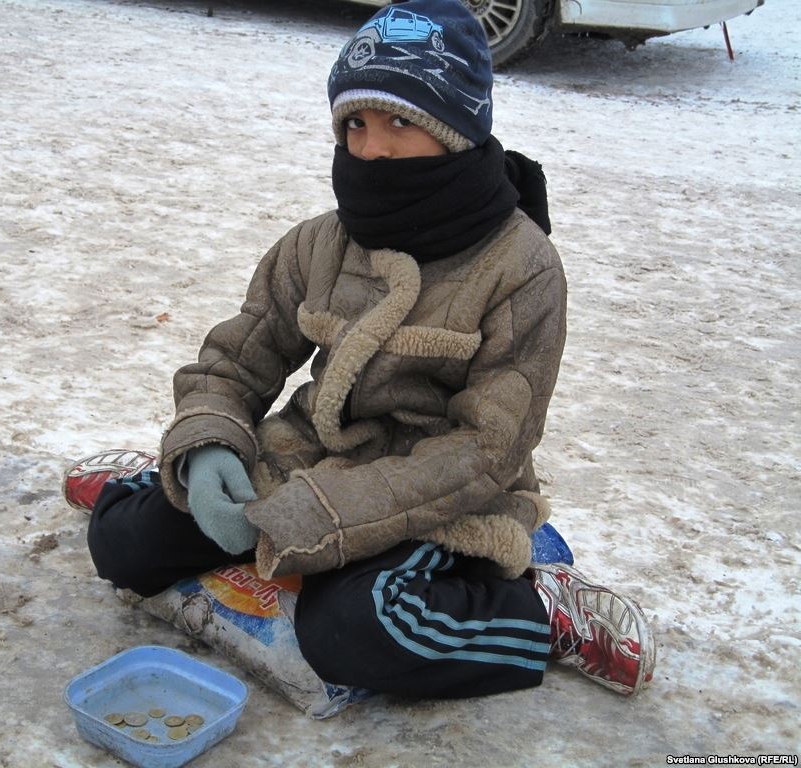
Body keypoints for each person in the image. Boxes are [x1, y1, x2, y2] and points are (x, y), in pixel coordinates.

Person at [80, 0, 655, 698]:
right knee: (121, 539)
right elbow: (236, 360)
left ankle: (542, 614)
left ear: (454, 127)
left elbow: (486, 449)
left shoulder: (522, 267)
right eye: (355, 122)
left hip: (441, 494)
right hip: (304, 461)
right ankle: (163, 472)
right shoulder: (321, 241)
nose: (371, 148)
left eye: (400, 122)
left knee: (354, 630)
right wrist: (207, 447)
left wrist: (328, 514)